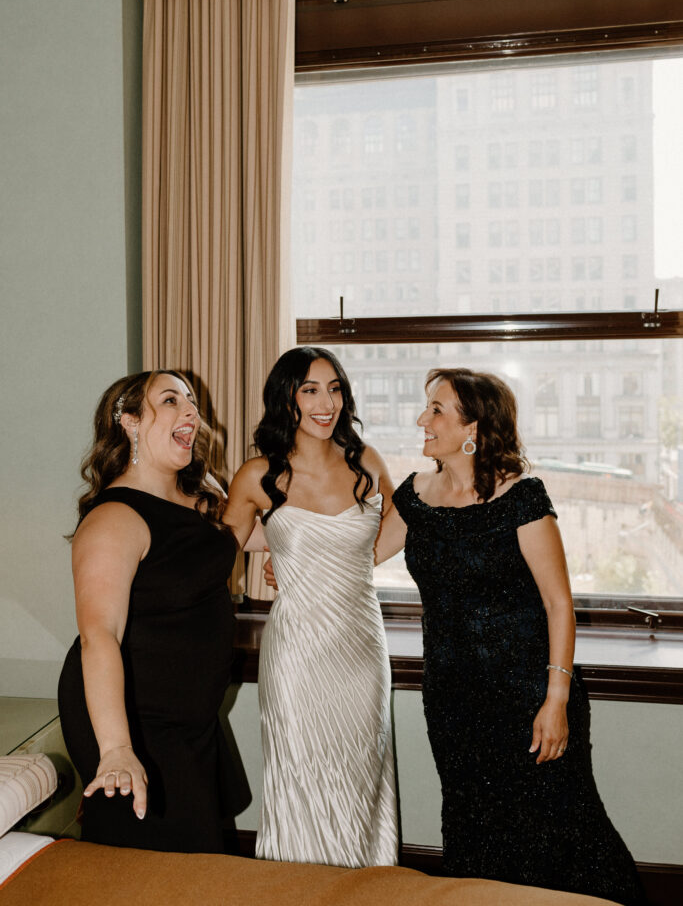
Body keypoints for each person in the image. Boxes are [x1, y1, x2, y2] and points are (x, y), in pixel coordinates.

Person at [375, 367, 644, 905]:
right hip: (452, 700)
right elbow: (361, 554)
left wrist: (557, 700)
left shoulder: (521, 497)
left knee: (565, 829)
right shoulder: (414, 494)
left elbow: (558, 604)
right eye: (427, 407)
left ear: (474, 426)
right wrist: (290, 561)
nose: (422, 419)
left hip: (529, 698)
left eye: (437, 410)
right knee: (473, 827)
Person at [224, 347, 398, 868]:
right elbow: (219, 551)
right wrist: (287, 553)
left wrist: (349, 562)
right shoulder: (257, 474)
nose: (327, 403)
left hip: (362, 648)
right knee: (299, 772)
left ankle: (364, 891)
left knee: (362, 768)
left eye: (335, 388)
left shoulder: (365, 460)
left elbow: (405, 520)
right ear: (287, 398)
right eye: (310, 390)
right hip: (297, 652)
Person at [58, 370, 238, 853]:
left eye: (192, 402)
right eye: (171, 399)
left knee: (192, 853)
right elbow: (99, 635)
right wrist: (117, 748)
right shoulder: (114, 518)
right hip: (135, 714)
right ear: (130, 422)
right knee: (149, 857)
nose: (192, 412)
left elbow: (252, 541)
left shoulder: (200, 494)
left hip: (189, 713)